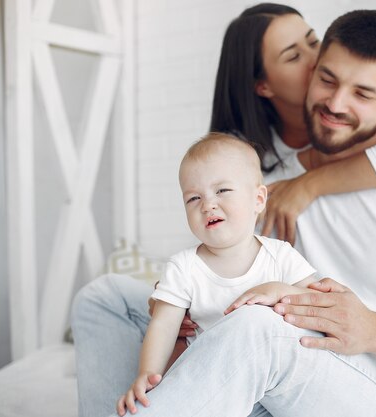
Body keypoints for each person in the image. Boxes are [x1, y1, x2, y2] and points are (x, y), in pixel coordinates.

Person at [89, 9, 376, 417]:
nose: (336, 104)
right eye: (327, 80)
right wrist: (187, 305)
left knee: (256, 327)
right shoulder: (267, 180)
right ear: (313, 73)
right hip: (287, 364)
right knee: (105, 298)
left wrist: (372, 329)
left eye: (363, 94)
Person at [210, 3, 376, 245]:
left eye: (313, 42)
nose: (316, 59)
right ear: (262, 86)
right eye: (293, 56)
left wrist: (307, 185)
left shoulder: (362, 117)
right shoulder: (239, 157)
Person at [118, 133, 320, 415]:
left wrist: (280, 290)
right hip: (215, 384)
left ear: (258, 199)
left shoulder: (281, 256)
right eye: (193, 198)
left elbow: (316, 303)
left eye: (222, 191)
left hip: (275, 387)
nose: (207, 204)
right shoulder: (184, 266)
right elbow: (163, 326)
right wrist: (147, 374)